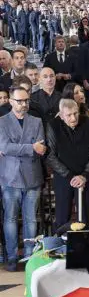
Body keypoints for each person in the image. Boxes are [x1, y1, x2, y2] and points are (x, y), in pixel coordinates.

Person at [0, 87, 45, 271]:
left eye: (26, 100)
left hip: (32, 175)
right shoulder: (2, 122)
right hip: (10, 177)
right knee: (10, 218)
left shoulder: (36, 121)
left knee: (31, 219)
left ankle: (28, 256)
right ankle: (12, 257)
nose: (24, 104)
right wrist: (30, 147)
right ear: (11, 101)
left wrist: (20, 148)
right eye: (20, 101)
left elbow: (41, 148)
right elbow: (5, 147)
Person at [46, 98, 89, 230]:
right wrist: (70, 176)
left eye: (75, 113)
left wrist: (84, 176)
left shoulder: (88, 123)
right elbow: (50, 156)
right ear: (61, 115)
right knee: (62, 216)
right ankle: (62, 241)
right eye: (69, 115)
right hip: (64, 177)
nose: (73, 118)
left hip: (86, 177)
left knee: (86, 217)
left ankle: (86, 241)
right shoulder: (53, 125)